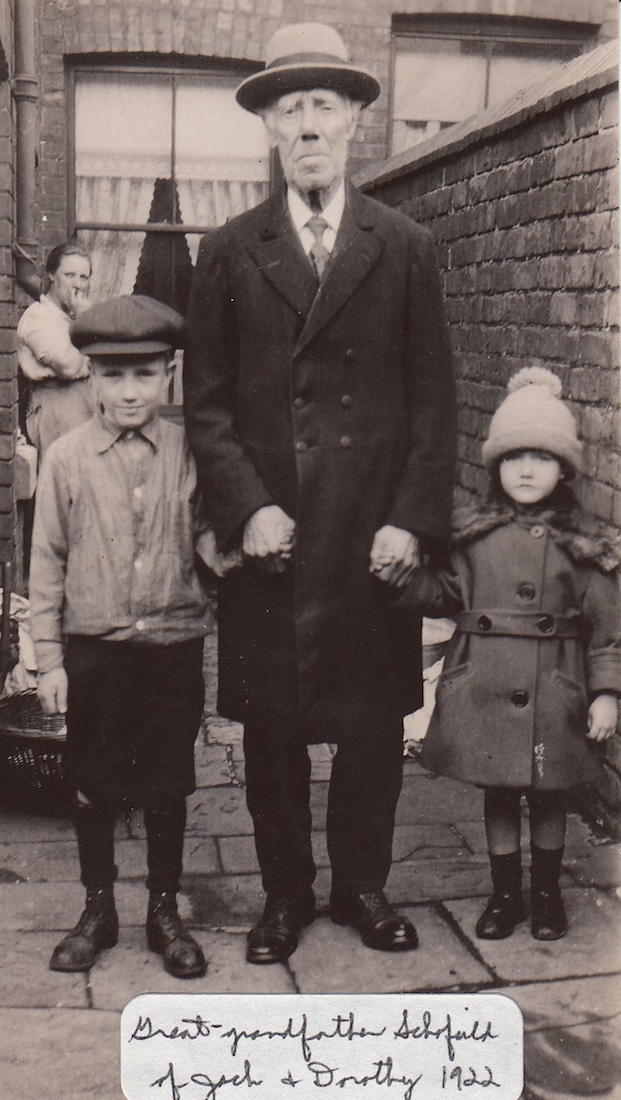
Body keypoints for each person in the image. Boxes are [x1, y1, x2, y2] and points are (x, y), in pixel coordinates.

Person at [183, 22, 456, 963]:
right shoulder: (226, 250)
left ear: (353, 127)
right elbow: (205, 403)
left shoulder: (406, 245)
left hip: (369, 536)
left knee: (374, 728)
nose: (307, 125)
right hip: (276, 538)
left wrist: (412, 521)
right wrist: (247, 504)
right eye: (288, 108)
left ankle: (364, 888)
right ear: (267, 128)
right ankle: (285, 894)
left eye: (323, 108)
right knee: (273, 735)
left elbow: (435, 402)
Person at [395, 367, 620, 941]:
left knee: (549, 794)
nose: (526, 469)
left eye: (542, 458)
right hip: (485, 683)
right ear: (495, 464)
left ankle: (546, 896)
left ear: (564, 469)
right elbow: (443, 595)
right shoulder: (472, 537)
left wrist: (605, 693)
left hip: (556, 687)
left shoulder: (584, 546)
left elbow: (606, 631)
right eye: (514, 456)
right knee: (497, 790)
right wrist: (404, 576)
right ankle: (503, 896)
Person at [29, 295, 211, 979]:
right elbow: (45, 561)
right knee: (93, 778)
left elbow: (212, 542)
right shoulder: (69, 458)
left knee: (167, 779)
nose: (129, 391)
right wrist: (48, 659)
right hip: (95, 649)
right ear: (93, 378)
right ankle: (97, 906)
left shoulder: (191, 450)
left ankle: (164, 908)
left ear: (170, 373)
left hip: (173, 645)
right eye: (114, 376)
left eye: (144, 374)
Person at [17, 242, 95, 457]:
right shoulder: (38, 316)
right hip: (55, 410)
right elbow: (68, 367)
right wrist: (84, 321)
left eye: (83, 277)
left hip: (85, 405)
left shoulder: (72, 318)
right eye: (69, 275)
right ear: (51, 275)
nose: (77, 285)